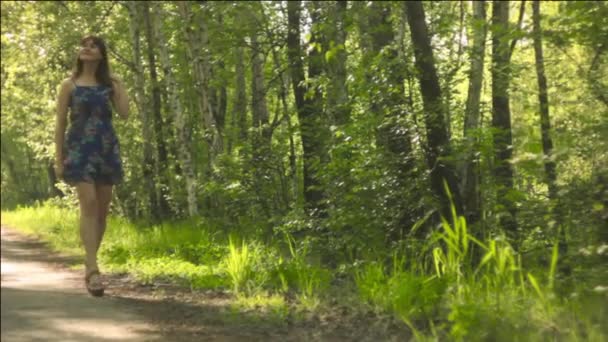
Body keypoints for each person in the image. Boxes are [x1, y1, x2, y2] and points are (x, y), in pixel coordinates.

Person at [54, 35, 129, 297]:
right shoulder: (69, 85)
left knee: (102, 211)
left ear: (101, 54)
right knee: (89, 203)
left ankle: (89, 261)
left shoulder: (110, 83)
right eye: (84, 44)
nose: (86, 47)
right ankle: (93, 269)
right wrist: (58, 158)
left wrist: (120, 86)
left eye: (93, 45)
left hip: (106, 149)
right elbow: (61, 124)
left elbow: (124, 113)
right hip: (79, 150)